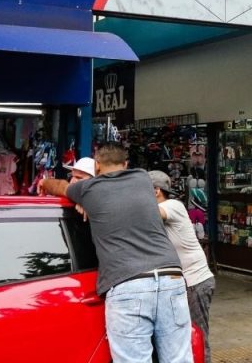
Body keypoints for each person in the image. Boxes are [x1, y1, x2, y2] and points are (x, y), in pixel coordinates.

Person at [39, 144, 192, 363]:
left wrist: (45, 183)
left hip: (127, 283)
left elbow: (60, 186)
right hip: (171, 278)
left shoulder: (89, 189)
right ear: (126, 165)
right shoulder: (141, 179)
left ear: (97, 165)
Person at [149, 171, 215, 363]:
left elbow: (148, 212)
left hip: (196, 282)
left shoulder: (172, 206)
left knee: (197, 335)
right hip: (182, 283)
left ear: (156, 191)